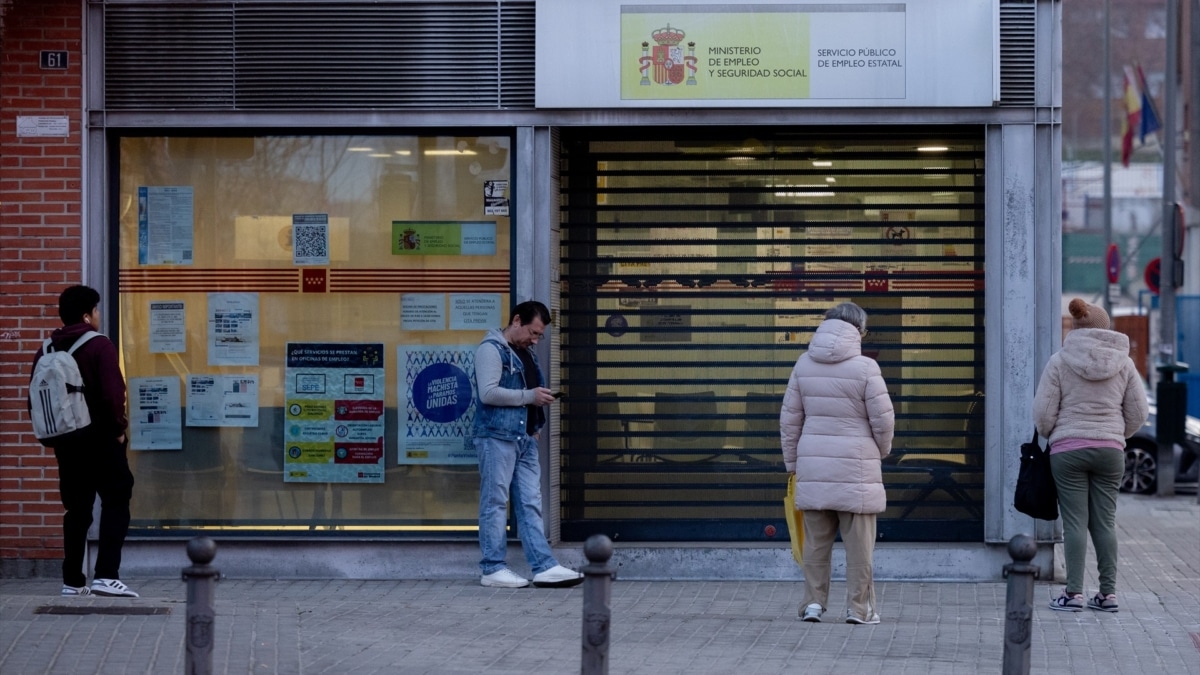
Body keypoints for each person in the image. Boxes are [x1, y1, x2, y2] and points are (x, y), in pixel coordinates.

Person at [779, 302, 894, 624]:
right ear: (860, 330)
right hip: (857, 466)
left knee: (815, 544)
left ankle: (813, 605)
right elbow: (883, 421)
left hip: (814, 465)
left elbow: (789, 421)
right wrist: (880, 451)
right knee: (860, 549)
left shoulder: (803, 364)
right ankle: (860, 610)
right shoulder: (866, 368)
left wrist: (793, 464)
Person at [1034, 298, 1147, 613]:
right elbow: (1139, 412)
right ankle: (1108, 594)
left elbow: (1043, 414)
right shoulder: (1124, 364)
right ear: (1105, 327)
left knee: (1074, 522)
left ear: (1076, 327)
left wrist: (1054, 434)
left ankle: (1074, 594)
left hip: (1068, 450)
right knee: (1105, 522)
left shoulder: (1059, 361)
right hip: (1110, 451)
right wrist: (1115, 436)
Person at [29, 285, 138, 597]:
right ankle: (106, 575)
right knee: (117, 499)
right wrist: (119, 429)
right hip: (102, 438)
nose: (99, 315)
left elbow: (34, 399)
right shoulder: (99, 345)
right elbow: (113, 394)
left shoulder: (47, 349)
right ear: (87, 315)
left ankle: (72, 581)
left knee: (77, 509)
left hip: (67, 441)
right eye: (97, 310)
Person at [472, 300, 583, 589]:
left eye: (539, 336)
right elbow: (488, 393)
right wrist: (530, 397)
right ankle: (492, 568)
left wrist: (536, 429)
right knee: (495, 502)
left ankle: (544, 566)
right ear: (517, 320)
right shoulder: (490, 349)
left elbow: (534, 393)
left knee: (530, 503)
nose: (534, 340)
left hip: (524, 439)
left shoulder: (526, 353)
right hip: (496, 437)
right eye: (533, 333)